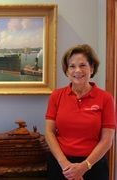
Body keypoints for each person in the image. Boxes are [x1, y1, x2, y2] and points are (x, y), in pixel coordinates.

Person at [45, 44, 116, 180]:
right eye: (72, 66)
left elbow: (107, 139)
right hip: (60, 165)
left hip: (93, 165)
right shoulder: (56, 96)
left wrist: (83, 167)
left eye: (83, 65)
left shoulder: (105, 98)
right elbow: (49, 132)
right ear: (67, 71)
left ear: (92, 68)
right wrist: (65, 165)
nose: (77, 70)